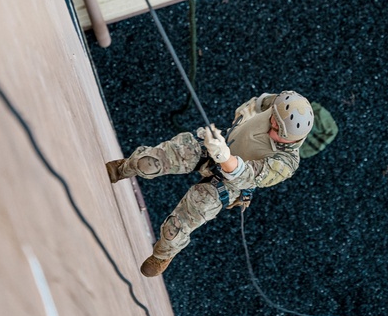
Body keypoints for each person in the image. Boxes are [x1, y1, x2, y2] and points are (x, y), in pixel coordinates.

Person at [105, 91, 314, 277]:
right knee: (148, 163)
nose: (272, 125)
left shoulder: (285, 163)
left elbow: (247, 175)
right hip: (217, 144)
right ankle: (123, 169)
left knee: (175, 228)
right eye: (273, 120)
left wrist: (223, 156)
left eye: (277, 129)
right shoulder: (278, 105)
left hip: (229, 181)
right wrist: (240, 120)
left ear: (289, 139)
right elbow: (257, 103)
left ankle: (162, 255)